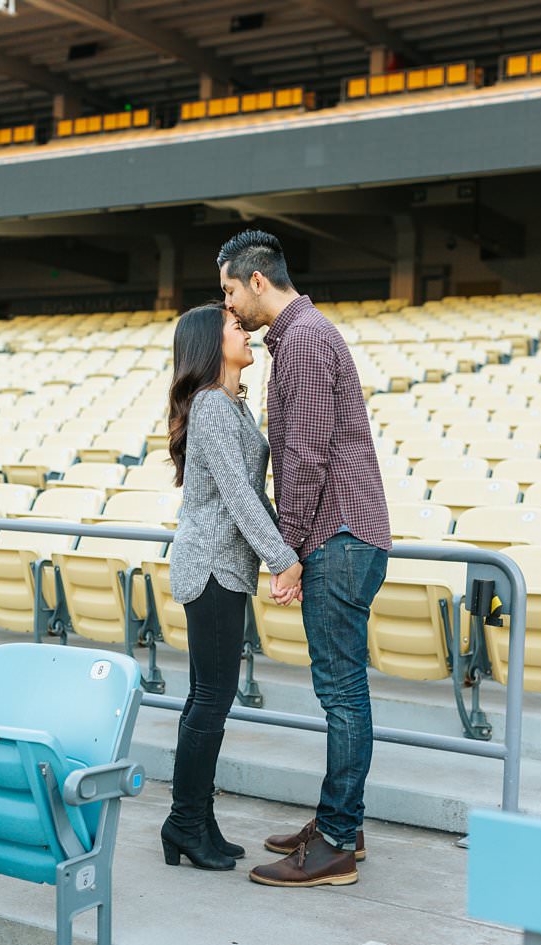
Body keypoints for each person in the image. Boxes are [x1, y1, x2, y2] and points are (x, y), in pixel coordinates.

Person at [218, 229, 391, 888]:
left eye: (232, 291)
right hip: (337, 535)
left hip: (338, 537)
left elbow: (308, 454)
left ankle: (339, 841)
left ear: (258, 281)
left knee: (342, 695)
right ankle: (342, 819)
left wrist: (284, 549)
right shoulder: (297, 339)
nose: (229, 306)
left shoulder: (307, 340)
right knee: (340, 692)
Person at [161, 303, 301, 872]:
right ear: (209, 345)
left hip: (224, 566)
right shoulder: (214, 406)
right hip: (212, 566)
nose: (246, 332)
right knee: (211, 698)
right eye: (234, 327)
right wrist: (282, 558)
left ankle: (195, 816)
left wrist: (284, 554)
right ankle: (185, 820)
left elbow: (249, 493)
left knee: (207, 696)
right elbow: (241, 498)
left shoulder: (231, 407)